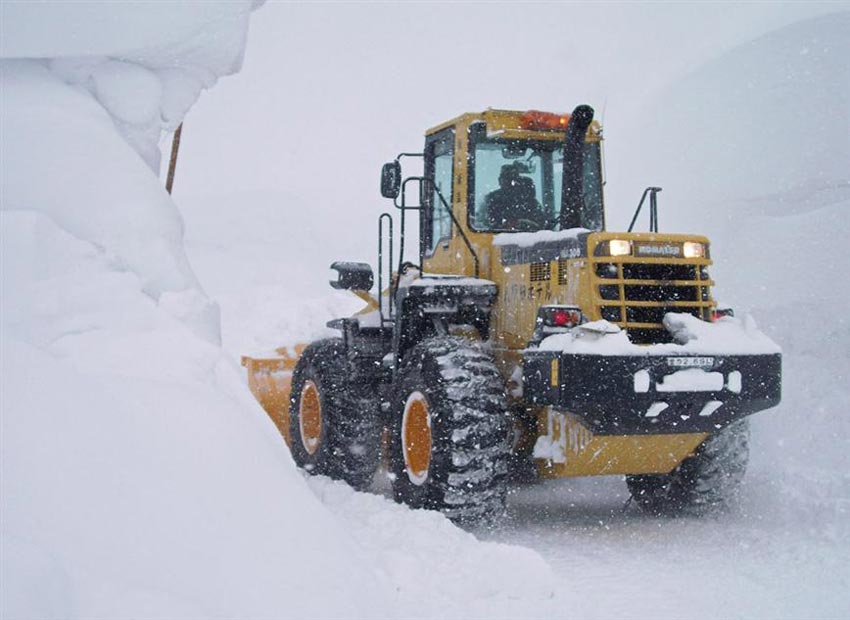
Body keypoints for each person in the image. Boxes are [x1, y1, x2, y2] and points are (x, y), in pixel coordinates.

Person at [481, 163, 547, 231]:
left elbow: (542, 226)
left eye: (512, 179)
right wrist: (503, 225)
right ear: (499, 181)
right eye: (505, 178)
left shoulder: (531, 203)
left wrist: (524, 224)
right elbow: (483, 224)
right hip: (497, 238)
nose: (508, 182)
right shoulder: (492, 199)